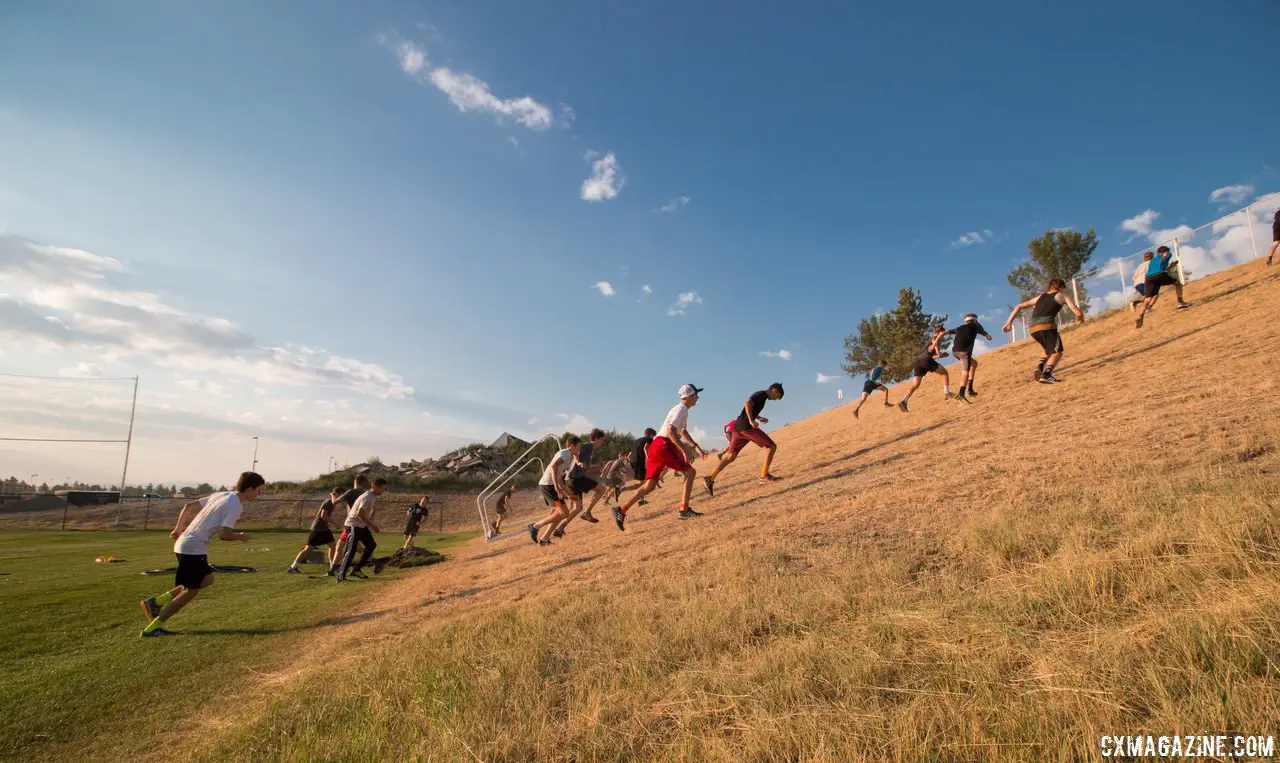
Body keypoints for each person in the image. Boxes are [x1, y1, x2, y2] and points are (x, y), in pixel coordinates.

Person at [138, 472, 264, 637]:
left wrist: (178, 529)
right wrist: (241, 536)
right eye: (259, 490)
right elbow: (224, 535)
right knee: (191, 590)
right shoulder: (235, 506)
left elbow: (188, 507)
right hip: (193, 548)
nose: (259, 494)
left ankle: (156, 602)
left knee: (207, 579)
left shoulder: (221, 495)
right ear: (249, 488)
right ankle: (153, 627)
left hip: (187, 544)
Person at [613, 384, 709, 531]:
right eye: (696, 394)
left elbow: (682, 431)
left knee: (649, 485)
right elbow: (671, 431)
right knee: (690, 473)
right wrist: (683, 450)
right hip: (664, 444)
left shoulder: (680, 409)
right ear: (689, 396)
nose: (698, 397)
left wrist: (695, 446)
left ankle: (622, 509)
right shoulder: (682, 409)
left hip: (656, 445)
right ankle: (684, 509)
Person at [703, 383, 784, 496]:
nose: (776, 399)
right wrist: (751, 421)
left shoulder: (762, 397)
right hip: (746, 427)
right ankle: (764, 476)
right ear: (774, 390)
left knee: (730, 456)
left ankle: (710, 478)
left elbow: (750, 409)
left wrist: (759, 418)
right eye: (778, 396)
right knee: (771, 447)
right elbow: (747, 403)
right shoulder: (761, 394)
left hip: (737, 429)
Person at [1003, 278, 1084, 384]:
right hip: (1047, 326)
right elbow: (1077, 312)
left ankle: (1040, 367)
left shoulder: (1040, 297)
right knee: (1057, 352)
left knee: (1048, 349)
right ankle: (1047, 374)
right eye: (1064, 288)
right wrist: (1081, 317)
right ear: (1061, 287)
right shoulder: (1062, 295)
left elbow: (1019, 306)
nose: (1064, 291)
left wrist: (1008, 323)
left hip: (1033, 328)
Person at [551, 429, 611, 537]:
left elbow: (585, 468)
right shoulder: (587, 446)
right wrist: (578, 461)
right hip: (576, 479)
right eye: (602, 440)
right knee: (602, 489)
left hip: (571, 479)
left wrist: (597, 466)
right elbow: (575, 452)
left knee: (577, 508)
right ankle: (587, 512)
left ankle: (560, 528)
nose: (602, 443)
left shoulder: (590, 450)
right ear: (596, 439)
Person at [528, 437, 580, 545]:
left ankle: (544, 540)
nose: (579, 449)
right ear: (572, 446)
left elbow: (559, 477)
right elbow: (553, 466)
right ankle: (535, 526)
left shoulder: (569, 457)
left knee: (561, 513)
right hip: (548, 485)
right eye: (578, 446)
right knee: (564, 513)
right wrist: (556, 486)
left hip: (551, 486)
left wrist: (568, 494)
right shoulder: (566, 453)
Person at [335, 478, 387, 582]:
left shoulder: (372, 496)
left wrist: (368, 524)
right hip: (353, 525)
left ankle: (357, 569)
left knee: (371, 545)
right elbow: (360, 513)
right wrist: (372, 525)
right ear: (375, 487)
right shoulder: (367, 497)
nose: (383, 491)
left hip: (360, 525)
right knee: (351, 551)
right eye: (383, 488)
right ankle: (341, 576)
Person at [897, 325, 951, 413]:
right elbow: (934, 345)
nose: (943, 335)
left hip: (919, 362)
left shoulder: (929, 340)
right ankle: (947, 393)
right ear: (939, 332)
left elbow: (930, 355)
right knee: (944, 373)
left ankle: (904, 401)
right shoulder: (934, 339)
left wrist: (940, 356)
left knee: (915, 385)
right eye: (943, 333)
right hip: (926, 361)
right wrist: (938, 350)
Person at [288, 486, 341, 573]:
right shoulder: (328, 503)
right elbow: (323, 516)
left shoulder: (332, 502)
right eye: (341, 496)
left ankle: (332, 566)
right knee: (308, 549)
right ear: (338, 494)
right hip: (318, 529)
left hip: (325, 529)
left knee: (332, 546)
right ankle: (293, 567)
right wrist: (335, 524)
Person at [1135, 245, 1190, 328]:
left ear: (1157, 252)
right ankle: (1180, 302)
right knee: (1178, 284)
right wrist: (1165, 257)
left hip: (1149, 278)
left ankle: (1141, 314)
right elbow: (1164, 259)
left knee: (1148, 297)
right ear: (1165, 251)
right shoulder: (1167, 254)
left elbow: (1163, 269)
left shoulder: (1152, 260)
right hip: (1159, 274)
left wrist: (1171, 265)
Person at [327, 475, 370, 575]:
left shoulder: (351, 492)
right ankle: (333, 569)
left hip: (352, 524)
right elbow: (373, 508)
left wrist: (333, 494)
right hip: (357, 523)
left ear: (355, 481)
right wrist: (368, 520)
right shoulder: (365, 493)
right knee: (342, 546)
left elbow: (334, 502)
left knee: (353, 548)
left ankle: (374, 562)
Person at [946, 314, 993, 402]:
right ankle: (961, 393)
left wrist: (936, 340)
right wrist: (987, 335)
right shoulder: (975, 326)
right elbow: (983, 331)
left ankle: (970, 389)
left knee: (974, 364)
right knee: (965, 372)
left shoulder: (959, 328)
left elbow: (945, 332)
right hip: (964, 353)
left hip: (955, 352)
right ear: (975, 320)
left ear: (965, 321)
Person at [627, 427, 657, 506]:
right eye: (653, 436)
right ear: (651, 434)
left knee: (643, 482)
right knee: (644, 483)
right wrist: (648, 459)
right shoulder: (649, 439)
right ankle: (621, 489)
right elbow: (646, 448)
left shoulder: (635, 441)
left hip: (634, 463)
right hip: (642, 463)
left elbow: (629, 456)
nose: (653, 438)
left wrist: (633, 464)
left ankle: (642, 500)